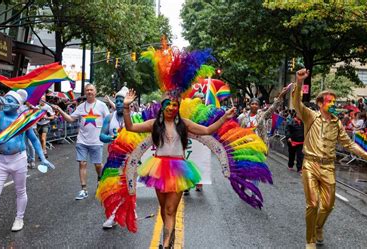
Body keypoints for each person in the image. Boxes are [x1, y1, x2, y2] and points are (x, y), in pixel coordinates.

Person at [123, 89, 236, 248]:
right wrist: (126, 107)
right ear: (162, 106)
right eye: (167, 104)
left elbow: (207, 130)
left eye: (174, 104)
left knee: (170, 209)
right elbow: (130, 127)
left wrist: (224, 118)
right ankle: (170, 236)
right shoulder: (154, 124)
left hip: (178, 170)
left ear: (178, 107)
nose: (170, 107)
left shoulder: (184, 124)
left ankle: (166, 243)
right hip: (158, 169)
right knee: (164, 209)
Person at [292, 68, 367, 249]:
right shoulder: (310, 116)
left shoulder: (337, 123)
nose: (333, 104)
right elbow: (296, 103)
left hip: (328, 167)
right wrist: (299, 82)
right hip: (310, 164)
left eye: (334, 101)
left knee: (327, 206)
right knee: (312, 203)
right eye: (329, 101)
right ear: (320, 103)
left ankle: (319, 227)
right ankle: (310, 239)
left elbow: (350, 145)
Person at [0, 90, 53, 237]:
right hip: (0, 160)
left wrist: (43, 158)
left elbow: (34, 139)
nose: (7, 102)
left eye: (10, 100)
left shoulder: (23, 120)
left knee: (20, 191)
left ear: (18, 105)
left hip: (19, 159)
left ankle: (19, 219)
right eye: (5, 99)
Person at [53, 84, 110, 200]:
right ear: (85, 92)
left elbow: (109, 119)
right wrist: (59, 110)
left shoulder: (102, 106)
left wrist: (107, 133)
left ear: (95, 92)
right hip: (82, 141)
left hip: (97, 141)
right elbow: (70, 119)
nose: (89, 92)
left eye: (91, 90)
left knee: (98, 164)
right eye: (87, 90)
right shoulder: (80, 107)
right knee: (82, 163)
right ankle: (84, 189)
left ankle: (100, 178)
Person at [99, 86, 128, 229]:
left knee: (127, 188)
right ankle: (112, 216)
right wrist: (111, 137)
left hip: (129, 159)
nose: (118, 103)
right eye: (116, 101)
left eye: (121, 100)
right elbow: (101, 136)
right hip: (114, 159)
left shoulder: (133, 117)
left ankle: (128, 210)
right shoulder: (109, 117)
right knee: (113, 188)